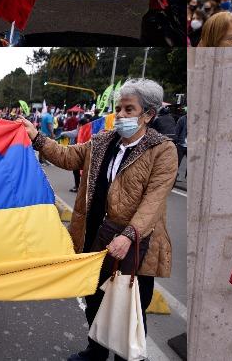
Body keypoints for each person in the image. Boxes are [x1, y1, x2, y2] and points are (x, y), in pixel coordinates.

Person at [22, 79, 177, 361]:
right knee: (93, 299)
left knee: (130, 307)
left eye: (129, 109)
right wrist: (36, 137)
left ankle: (126, 357)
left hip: (137, 245)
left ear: (149, 115)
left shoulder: (163, 150)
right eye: (118, 108)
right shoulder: (102, 141)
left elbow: (154, 200)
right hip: (95, 236)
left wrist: (129, 235)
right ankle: (95, 351)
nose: (120, 115)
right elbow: (67, 157)